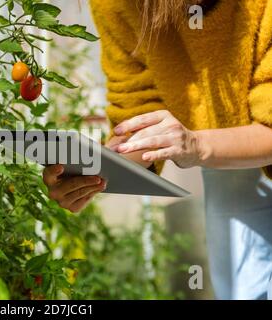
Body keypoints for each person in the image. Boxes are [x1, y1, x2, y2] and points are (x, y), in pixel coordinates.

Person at [42, 0, 272, 299]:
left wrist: (196, 145)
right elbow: (137, 107)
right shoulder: (116, 5)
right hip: (227, 162)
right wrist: (95, 171)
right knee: (243, 291)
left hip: (222, 149)